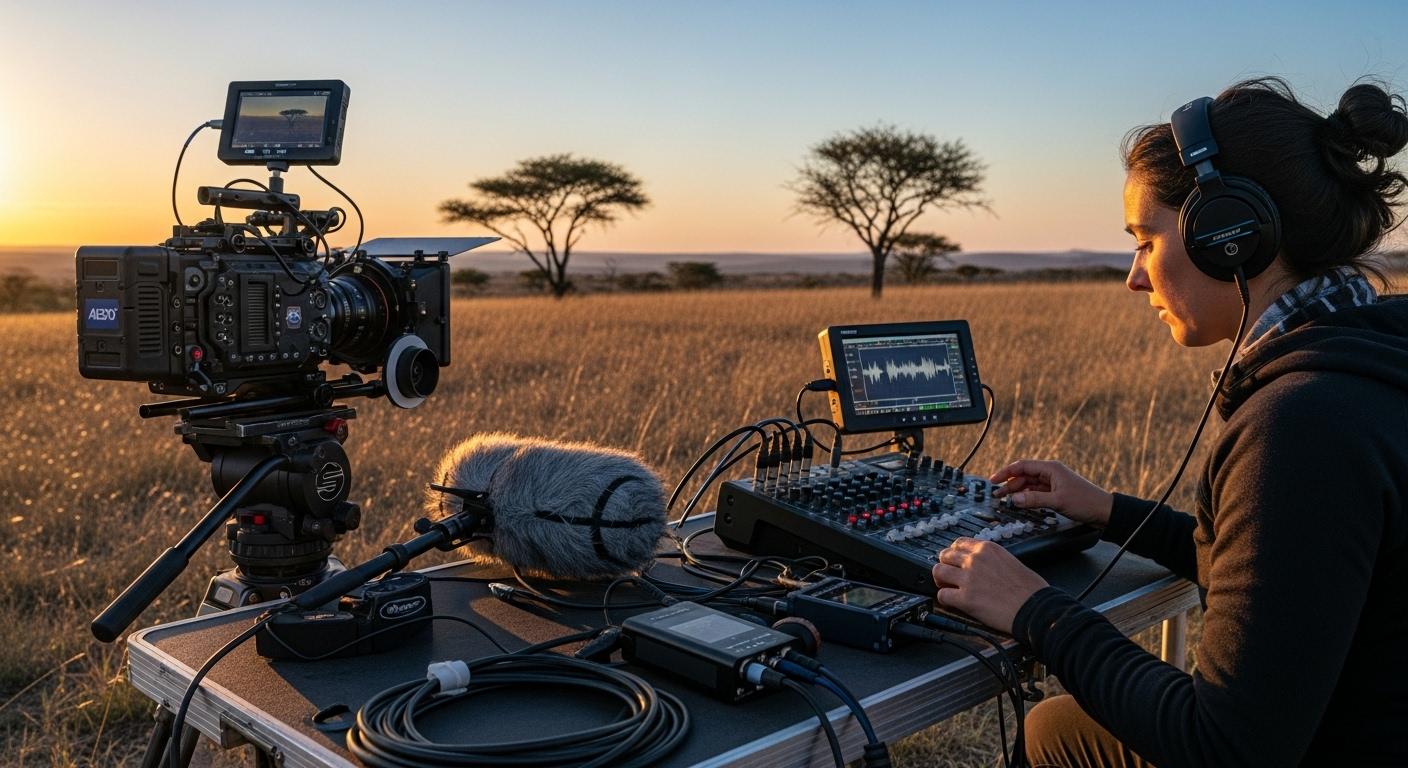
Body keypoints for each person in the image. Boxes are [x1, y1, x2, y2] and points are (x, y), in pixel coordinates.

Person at [930, 77, 1408, 767]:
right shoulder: (1369, 360)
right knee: (1055, 728)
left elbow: (1225, 747)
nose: (1135, 277)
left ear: (1229, 237)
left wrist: (1037, 610)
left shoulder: (1302, 424)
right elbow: (1284, 581)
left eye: (1145, 240)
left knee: (1055, 730)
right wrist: (1108, 510)